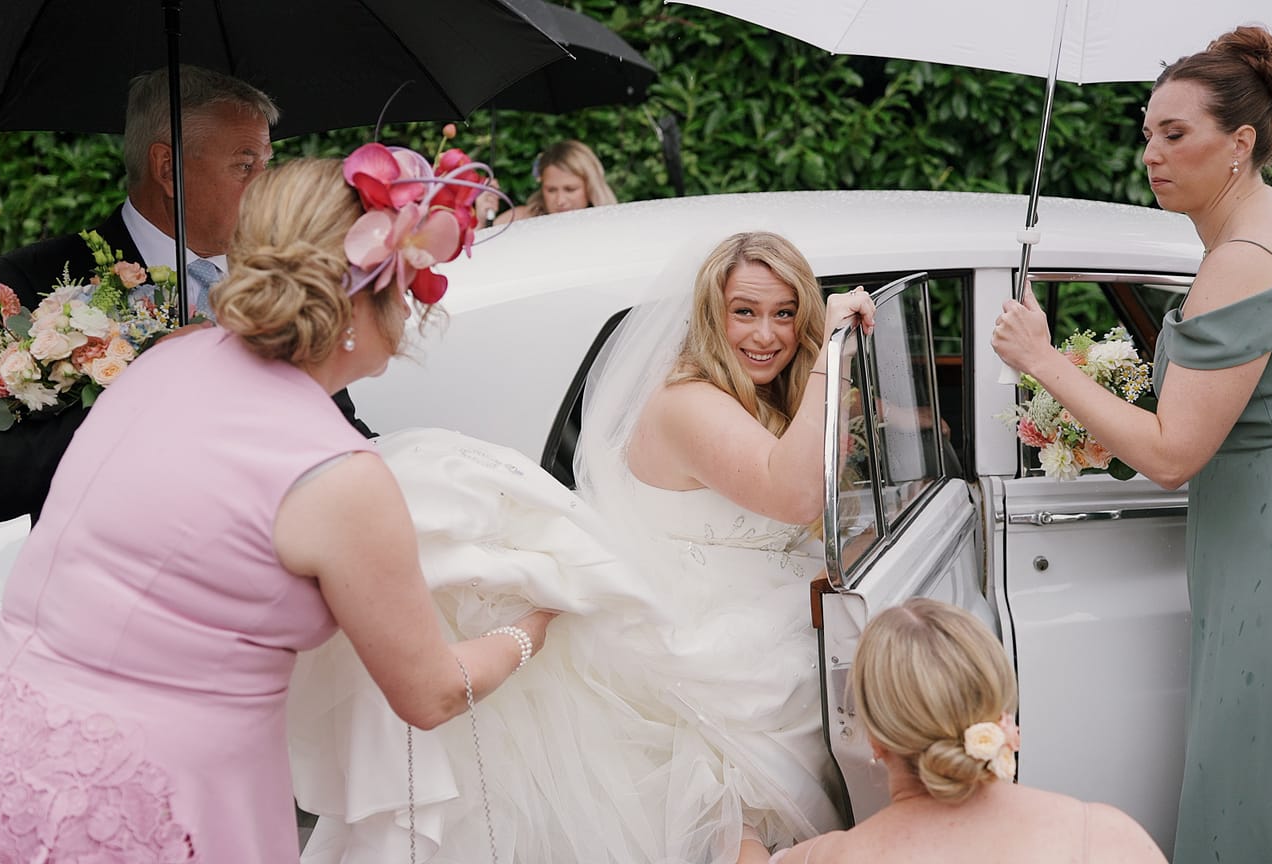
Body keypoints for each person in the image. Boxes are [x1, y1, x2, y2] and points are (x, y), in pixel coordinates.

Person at [0, 154, 555, 863]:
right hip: (129, 806)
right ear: (365, 297)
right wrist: (541, 619)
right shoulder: (340, 478)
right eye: (411, 286)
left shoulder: (167, 360)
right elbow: (430, 694)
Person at [285, 231, 876, 864]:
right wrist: (830, 352)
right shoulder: (689, 401)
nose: (767, 335)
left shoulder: (760, 397)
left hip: (759, 632)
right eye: (745, 312)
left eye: (785, 314)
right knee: (713, 813)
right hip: (682, 651)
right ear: (711, 314)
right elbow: (792, 496)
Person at [992, 25, 1272, 863]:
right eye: (1147, 133)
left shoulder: (1246, 260)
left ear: (1241, 144)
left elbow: (1170, 455)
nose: (1150, 152)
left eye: (1174, 134)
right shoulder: (1250, 236)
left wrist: (1044, 362)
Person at [0, 65, 372, 526]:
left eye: (266, 164)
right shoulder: (34, 278)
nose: (264, 186)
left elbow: (335, 427)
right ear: (168, 169)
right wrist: (139, 388)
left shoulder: (278, 277)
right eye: (245, 165)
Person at [769, 599, 1167, 864]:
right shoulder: (1105, 836)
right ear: (1003, 713)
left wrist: (739, 835)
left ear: (875, 739)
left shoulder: (827, 858)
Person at [480, 139, 616, 227]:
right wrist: (481, 220)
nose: (560, 200)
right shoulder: (518, 220)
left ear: (591, 186)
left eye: (570, 189)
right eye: (551, 190)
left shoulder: (611, 224)